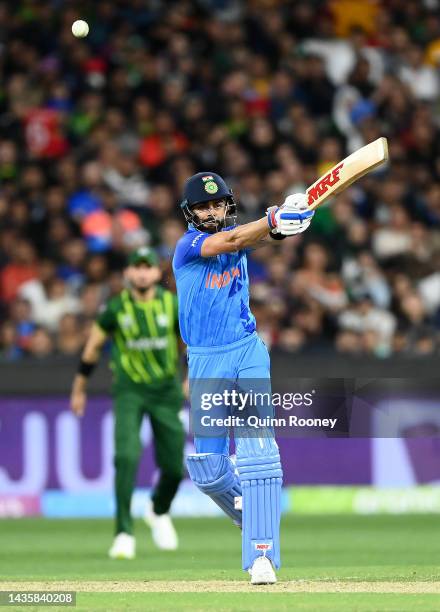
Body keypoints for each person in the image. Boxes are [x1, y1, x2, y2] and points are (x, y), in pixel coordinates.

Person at [172, 172, 314, 584]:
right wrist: (274, 219)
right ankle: (252, 514)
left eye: (217, 204)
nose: (212, 211)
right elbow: (235, 241)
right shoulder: (189, 246)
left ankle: (261, 555)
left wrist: (289, 221)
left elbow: (257, 238)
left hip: (247, 351)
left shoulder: (238, 232)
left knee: (258, 453)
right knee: (209, 470)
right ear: (190, 213)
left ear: (228, 205)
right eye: (203, 206)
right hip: (205, 362)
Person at [70, 247, 185, 559]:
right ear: (128, 274)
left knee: (175, 466)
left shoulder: (172, 304)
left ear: (158, 273)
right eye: (137, 267)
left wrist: (189, 380)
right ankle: (123, 532)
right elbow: (92, 348)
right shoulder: (116, 308)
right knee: (126, 456)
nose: (143, 272)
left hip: (165, 391)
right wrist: (79, 388)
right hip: (129, 391)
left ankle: (158, 509)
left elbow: (188, 343)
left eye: (148, 267)